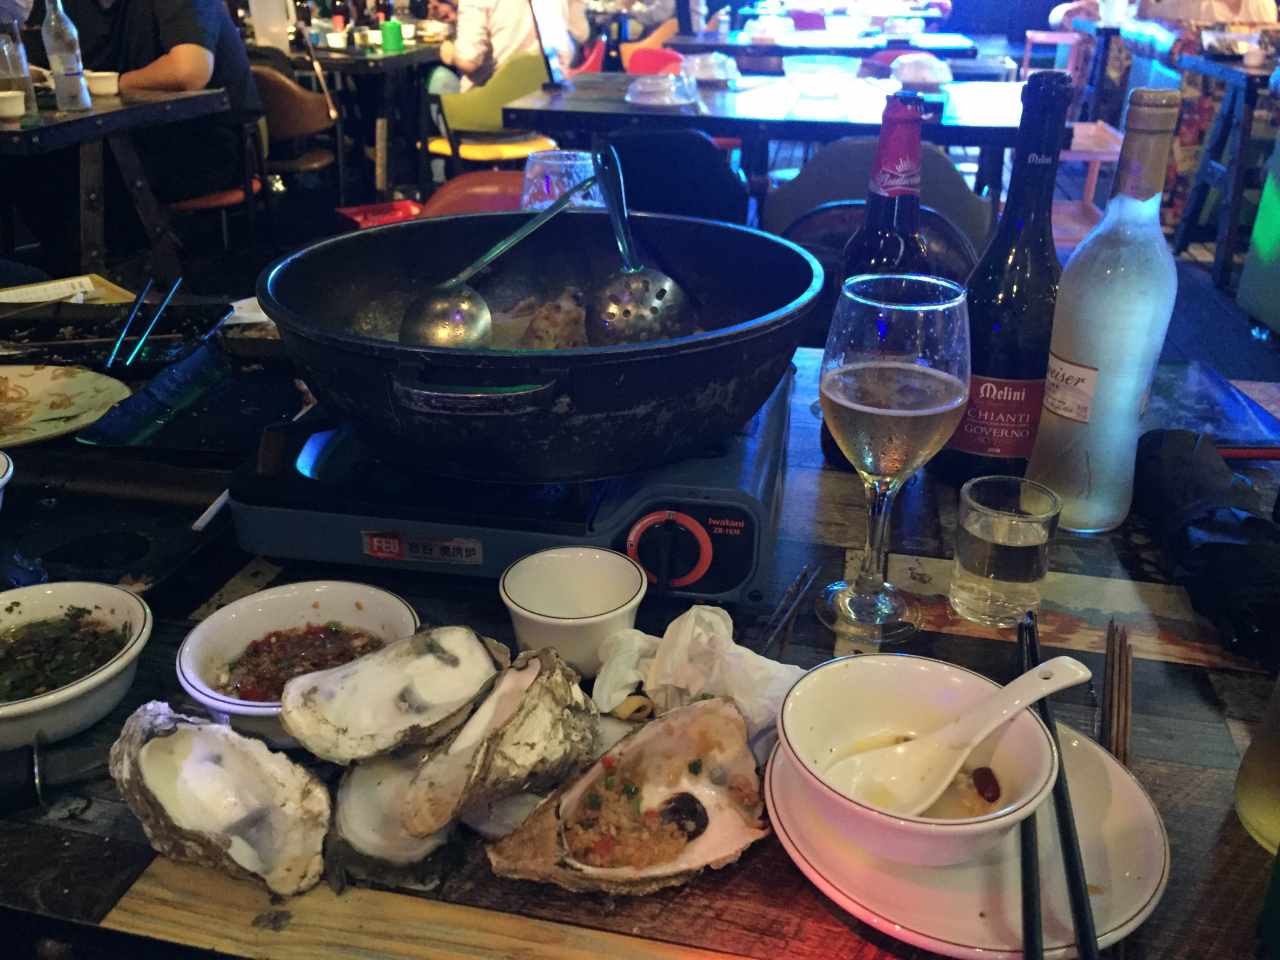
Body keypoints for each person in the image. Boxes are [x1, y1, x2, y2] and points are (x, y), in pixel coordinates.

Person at [2, 0, 260, 273]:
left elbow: (188, 71)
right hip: (141, 141)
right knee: (26, 167)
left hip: (207, 152)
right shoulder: (83, 10)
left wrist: (108, 83)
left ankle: (98, 280)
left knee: (47, 173)